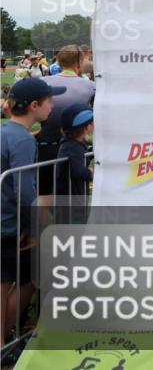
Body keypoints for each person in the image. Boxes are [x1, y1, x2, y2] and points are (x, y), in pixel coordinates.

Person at [1, 78, 65, 339]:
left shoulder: (6, 132)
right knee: (30, 279)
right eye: (50, 102)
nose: (53, 107)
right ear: (34, 106)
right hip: (11, 226)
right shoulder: (23, 141)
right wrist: (34, 227)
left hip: (4, 222)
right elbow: (25, 190)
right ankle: (7, 339)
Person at [36, 46, 96, 211]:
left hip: (45, 147)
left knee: (44, 197)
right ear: (79, 62)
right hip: (75, 146)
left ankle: (43, 228)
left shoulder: (43, 82)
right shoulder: (90, 86)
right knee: (73, 199)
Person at [55, 103, 94, 201]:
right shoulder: (73, 147)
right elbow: (78, 172)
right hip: (71, 200)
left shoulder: (72, 142)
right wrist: (90, 172)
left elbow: (80, 158)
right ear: (87, 127)